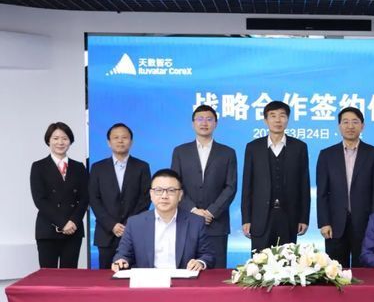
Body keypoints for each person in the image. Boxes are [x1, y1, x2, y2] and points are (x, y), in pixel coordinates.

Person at [316, 107, 374, 267]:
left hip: (366, 224)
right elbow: (322, 193)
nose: (350, 126)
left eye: (355, 122)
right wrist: (324, 222)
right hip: (334, 225)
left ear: (362, 126)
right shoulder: (327, 155)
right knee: (335, 271)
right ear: (339, 126)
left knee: (365, 270)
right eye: (345, 122)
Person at [171, 105, 237, 268]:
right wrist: (193, 210)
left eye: (209, 119)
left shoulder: (227, 152)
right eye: (200, 119)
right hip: (186, 220)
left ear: (216, 123)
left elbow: (231, 187)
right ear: (193, 123)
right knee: (185, 270)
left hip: (216, 223)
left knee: (217, 271)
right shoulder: (180, 151)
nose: (204, 123)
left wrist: (211, 212)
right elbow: (175, 186)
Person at [112, 169, 215, 272]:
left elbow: (207, 255)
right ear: (151, 194)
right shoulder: (135, 223)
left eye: (171, 190)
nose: (164, 196)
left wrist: (200, 262)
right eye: (158, 190)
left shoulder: (196, 222)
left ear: (180, 195)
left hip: (183, 279)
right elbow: (123, 254)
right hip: (148, 280)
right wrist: (121, 260)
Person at [241, 100, 310, 251]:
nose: (278, 120)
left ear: (287, 119)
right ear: (266, 120)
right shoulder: (253, 147)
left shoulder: (299, 147)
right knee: (259, 261)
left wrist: (304, 218)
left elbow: (304, 185)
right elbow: (247, 186)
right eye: (273, 116)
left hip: (289, 217)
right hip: (260, 217)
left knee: (288, 260)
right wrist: (246, 219)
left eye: (282, 116)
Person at [89, 123, 151, 269]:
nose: (120, 141)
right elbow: (94, 199)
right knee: (105, 276)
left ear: (131, 141)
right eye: (116, 137)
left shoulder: (142, 166)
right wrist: (111, 225)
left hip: (133, 232)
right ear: (108, 142)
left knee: (133, 275)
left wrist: (129, 224)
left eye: (124, 137)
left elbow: (145, 198)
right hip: (106, 233)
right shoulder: (98, 168)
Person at [30, 122, 89, 268]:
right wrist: (62, 223)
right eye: (55, 138)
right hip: (48, 230)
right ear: (48, 140)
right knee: (48, 275)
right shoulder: (38, 166)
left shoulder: (79, 167)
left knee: (69, 275)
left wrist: (73, 221)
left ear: (70, 141)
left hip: (73, 230)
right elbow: (39, 200)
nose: (60, 142)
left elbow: (85, 198)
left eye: (64, 138)